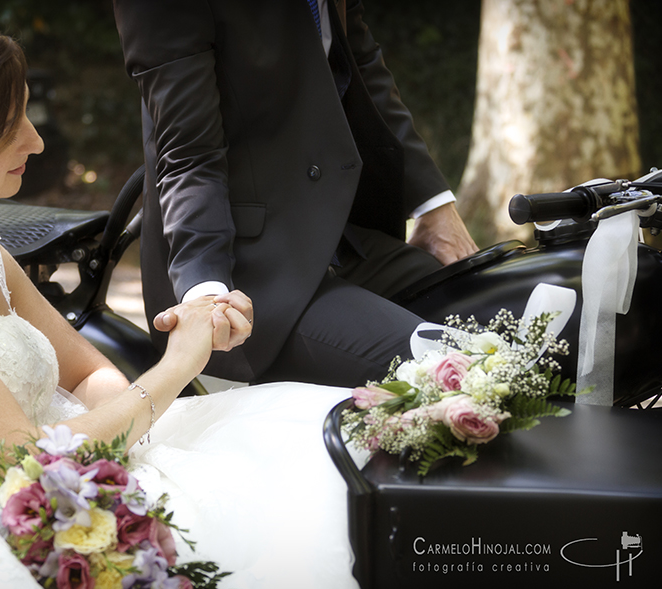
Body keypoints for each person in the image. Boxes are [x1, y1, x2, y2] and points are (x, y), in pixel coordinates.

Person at [0, 9, 368, 589]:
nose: (34, 139)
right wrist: (178, 366)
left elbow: (88, 371)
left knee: (300, 462)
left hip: (78, 464)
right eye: (7, 125)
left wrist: (131, 430)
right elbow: (23, 460)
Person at [112, 0, 479, 386]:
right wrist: (206, 295)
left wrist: (435, 207)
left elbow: (361, 63)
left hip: (346, 240)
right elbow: (188, 154)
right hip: (248, 272)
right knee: (449, 371)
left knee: (513, 321)